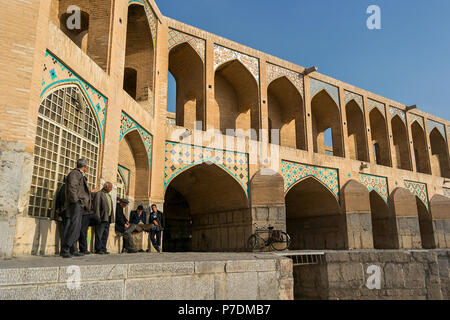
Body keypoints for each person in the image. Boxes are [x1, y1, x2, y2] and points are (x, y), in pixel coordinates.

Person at [61, 159, 92, 258]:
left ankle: (73, 249)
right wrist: (76, 201)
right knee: (74, 226)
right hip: (76, 204)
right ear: (85, 166)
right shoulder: (75, 173)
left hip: (80, 204)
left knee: (77, 227)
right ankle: (65, 249)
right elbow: (72, 187)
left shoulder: (80, 175)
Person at [93, 182, 114, 254]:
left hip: (107, 217)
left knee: (105, 234)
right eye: (110, 187)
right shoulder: (99, 194)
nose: (111, 189)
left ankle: (103, 248)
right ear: (105, 187)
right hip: (101, 217)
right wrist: (97, 217)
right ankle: (98, 249)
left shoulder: (108, 195)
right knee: (99, 233)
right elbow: (96, 207)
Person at [55, 177, 70, 252]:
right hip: (67, 212)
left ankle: (66, 249)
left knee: (67, 231)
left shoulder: (64, 187)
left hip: (66, 212)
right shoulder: (66, 188)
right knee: (66, 231)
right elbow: (60, 199)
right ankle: (64, 249)